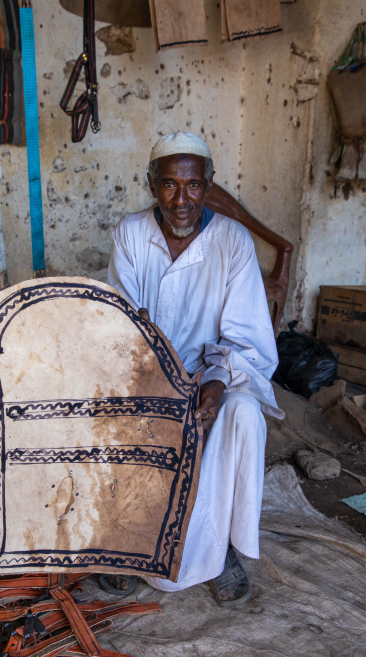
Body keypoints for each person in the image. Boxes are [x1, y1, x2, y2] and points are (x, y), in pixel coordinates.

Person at [101, 131, 283, 606]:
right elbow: (123, 323)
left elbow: (246, 338)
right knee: (105, 409)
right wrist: (160, 385)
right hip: (145, 372)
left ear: (209, 184)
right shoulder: (131, 233)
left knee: (245, 416)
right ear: (150, 184)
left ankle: (221, 546)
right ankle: (128, 541)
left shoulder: (232, 241)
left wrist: (217, 383)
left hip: (211, 375)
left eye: (194, 186)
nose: (181, 200)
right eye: (168, 185)